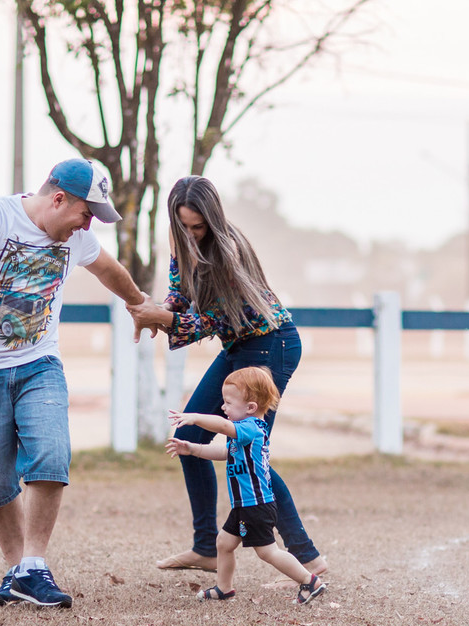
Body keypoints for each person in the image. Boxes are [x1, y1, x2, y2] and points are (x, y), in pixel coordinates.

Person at [0, 158, 157, 609]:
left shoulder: (76, 237)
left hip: (40, 364)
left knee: (51, 453)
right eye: (86, 213)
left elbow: (109, 271)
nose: (87, 223)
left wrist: (139, 303)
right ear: (59, 198)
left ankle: (34, 566)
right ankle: (18, 571)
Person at [128, 175, 327, 577]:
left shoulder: (225, 250)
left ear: (212, 219)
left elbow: (207, 320)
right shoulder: (183, 242)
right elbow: (180, 295)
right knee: (188, 436)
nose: (190, 232)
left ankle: (308, 559)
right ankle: (206, 548)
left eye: (197, 226)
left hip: (271, 346)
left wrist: (163, 319)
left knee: (251, 451)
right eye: (183, 225)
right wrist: (159, 312)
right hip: (240, 345)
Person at [166, 367, 327, 605]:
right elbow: (224, 452)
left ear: (251, 407)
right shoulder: (241, 434)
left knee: (267, 552)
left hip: (257, 505)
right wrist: (192, 449)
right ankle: (224, 588)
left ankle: (309, 581)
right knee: (224, 542)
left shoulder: (251, 428)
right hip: (244, 505)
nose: (223, 407)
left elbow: (222, 427)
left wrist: (195, 417)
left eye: (229, 402)